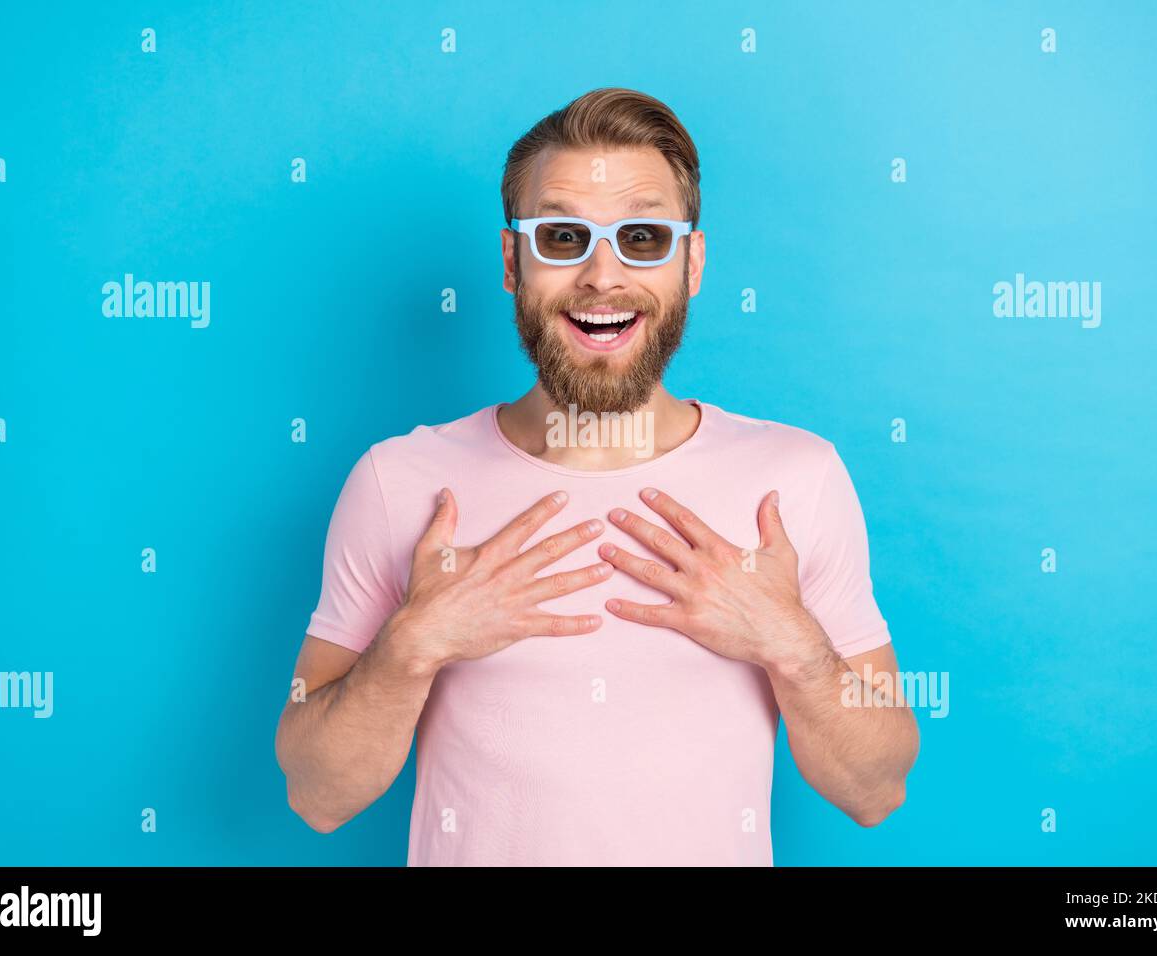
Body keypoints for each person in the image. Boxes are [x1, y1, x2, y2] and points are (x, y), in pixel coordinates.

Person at [274, 87, 919, 866]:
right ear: (513, 263)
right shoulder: (399, 480)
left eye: (643, 237)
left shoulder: (798, 479)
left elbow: (877, 788)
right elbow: (315, 794)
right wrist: (414, 644)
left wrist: (791, 645)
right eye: (562, 237)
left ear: (693, 263)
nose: (601, 276)